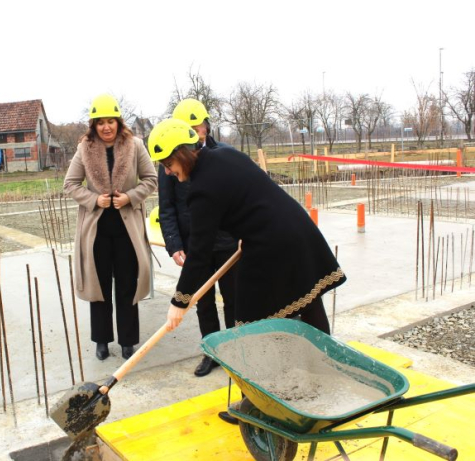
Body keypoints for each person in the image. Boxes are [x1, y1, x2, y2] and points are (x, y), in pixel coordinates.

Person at [148, 118, 347, 421]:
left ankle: (254, 407)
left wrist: (180, 300)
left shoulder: (200, 189)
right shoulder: (225, 155)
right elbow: (254, 194)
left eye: (167, 163)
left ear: (181, 153)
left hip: (270, 245)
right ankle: (327, 381)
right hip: (297, 228)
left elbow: (199, 255)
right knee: (309, 302)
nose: (167, 172)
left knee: (248, 327)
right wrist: (248, 227)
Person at [64, 94, 157, 361]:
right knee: (99, 287)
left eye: (111, 122)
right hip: (97, 231)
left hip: (127, 229)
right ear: (93, 125)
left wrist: (130, 197)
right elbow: (70, 184)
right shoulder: (85, 148)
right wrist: (95, 199)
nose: (106, 127)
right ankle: (102, 341)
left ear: (119, 122)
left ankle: (128, 341)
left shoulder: (135, 145)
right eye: (101, 122)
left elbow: (150, 179)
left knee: (128, 285)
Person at [158, 98, 238, 378]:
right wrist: (174, 244)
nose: (196, 131)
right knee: (203, 301)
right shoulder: (169, 159)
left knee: (234, 299)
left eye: (198, 125)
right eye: (188, 126)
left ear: (206, 124)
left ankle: (236, 351)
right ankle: (211, 351)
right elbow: (166, 205)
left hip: (226, 241)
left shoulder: (222, 154)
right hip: (195, 243)